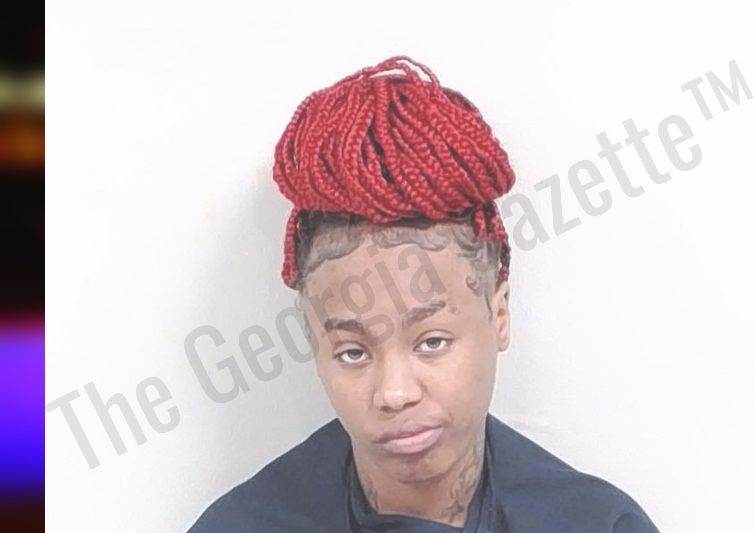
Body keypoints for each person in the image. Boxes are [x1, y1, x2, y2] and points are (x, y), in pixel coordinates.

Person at [188, 56, 659, 533]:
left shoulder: (597, 524)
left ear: (498, 313)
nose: (395, 393)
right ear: (314, 343)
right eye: (353, 352)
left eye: (432, 342)